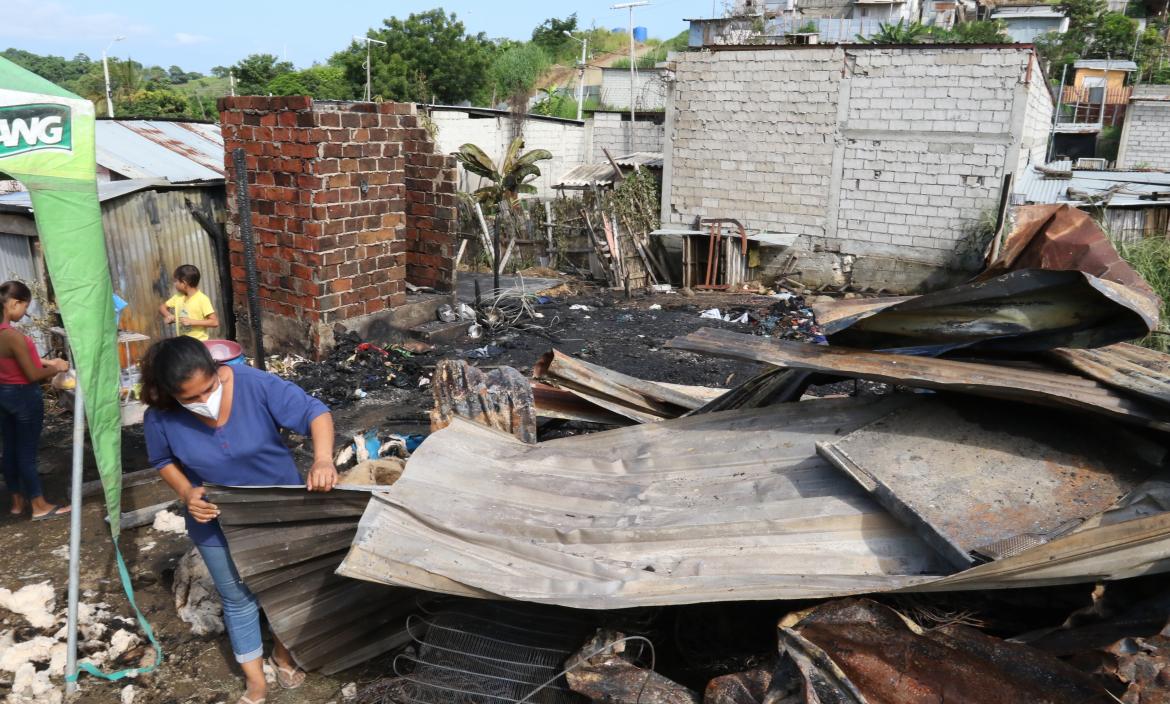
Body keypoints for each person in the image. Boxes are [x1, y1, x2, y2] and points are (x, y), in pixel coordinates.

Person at [141, 336, 337, 704]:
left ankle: (282, 654)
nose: (204, 403)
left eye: (209, 389)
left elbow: (316, 412)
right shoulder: (160, 415)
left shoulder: (254, 384)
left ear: (218, 370)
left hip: (279, 509)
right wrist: (186, 493)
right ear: (169, 395)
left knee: (287, 586)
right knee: (238, 598)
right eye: (190, 398)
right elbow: (161, 460)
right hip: (216, 516)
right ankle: (255, 681)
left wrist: (323, 459)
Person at [0, 281, 71, 520]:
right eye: (25, 307)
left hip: (4, 394)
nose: (26, 313)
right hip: (23, 396)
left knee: (9, 449)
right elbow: (31, 374)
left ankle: (17, 502)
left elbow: (13, 361)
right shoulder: (12, 336)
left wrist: (46, 362)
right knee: (26, 453)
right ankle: (39, 506)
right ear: (14, 303)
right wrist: (57, 367)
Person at [159, 265, 218, 341]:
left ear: (184, 283)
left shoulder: (202, 299)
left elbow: (214, 322)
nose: (174, 284)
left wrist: (192, 322)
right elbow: (162, 307)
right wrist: (169, 316)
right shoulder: (178, 297)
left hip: (199, 343)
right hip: (183, 342)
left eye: (176, 281)